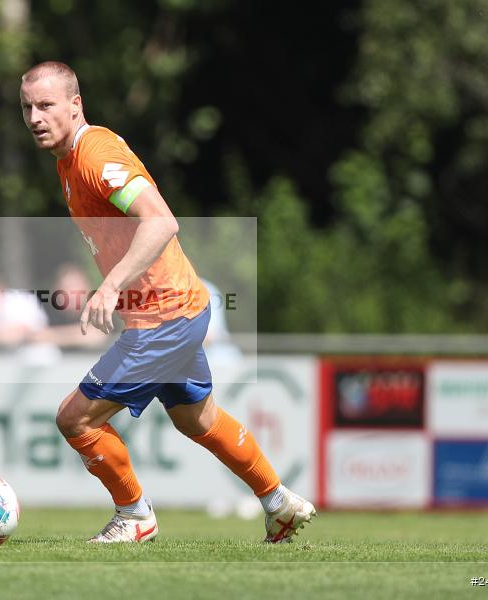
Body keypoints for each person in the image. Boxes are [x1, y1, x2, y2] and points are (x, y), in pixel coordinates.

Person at [19, 61, 315, 543]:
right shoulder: (68, 161)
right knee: (197, 419)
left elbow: (161, 221)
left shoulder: (95, 155)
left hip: (165, 318)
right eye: (28, 107)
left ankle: (135, 516)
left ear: (76, 105)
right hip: (177, 309)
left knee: (74, 419)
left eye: (46, 105)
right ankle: (279, 502)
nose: (35, 116)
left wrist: (112, 285)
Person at [30, 262, 108, 349]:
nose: (70, 294)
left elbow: (96, 335)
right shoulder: (47, 312)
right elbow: (35, 336)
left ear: (87, 288)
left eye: (75, 287)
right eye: (65, 288)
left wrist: (52, 335)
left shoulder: (98, 310)